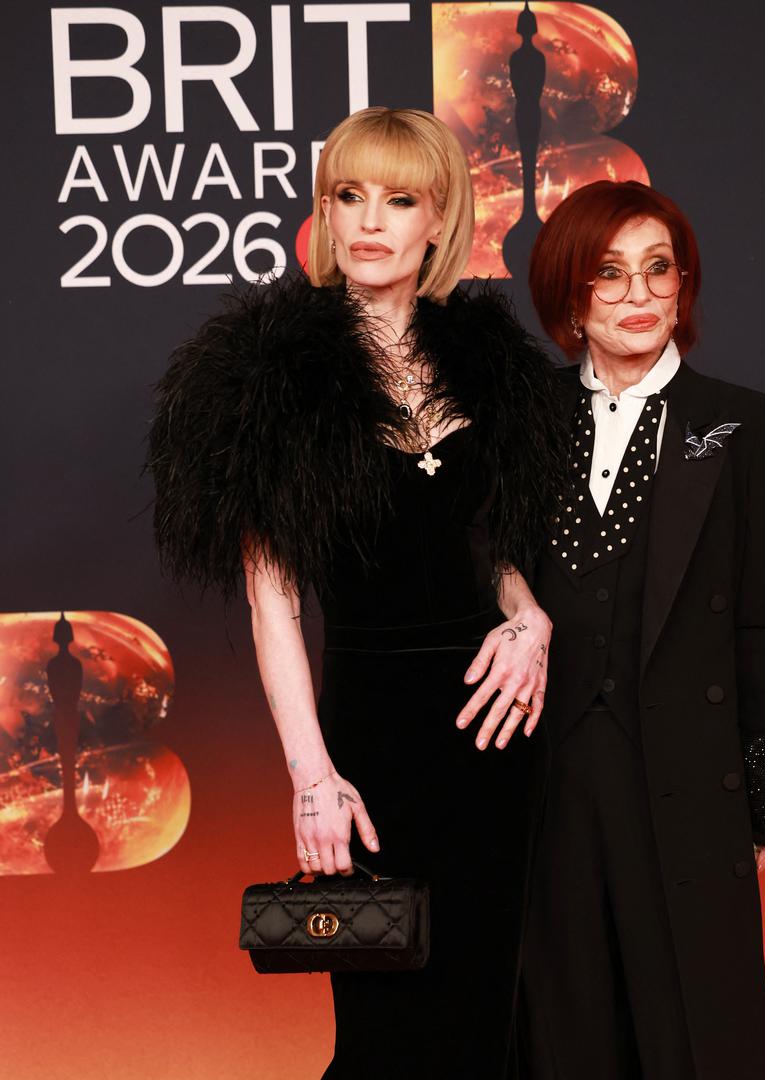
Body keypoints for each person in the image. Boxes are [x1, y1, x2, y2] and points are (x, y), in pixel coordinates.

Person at [147, 107, 567, 1078]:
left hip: (495, 730)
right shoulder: (269, 379)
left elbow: (490, 545)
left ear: (440, 220)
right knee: (389, 1028)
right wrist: (312, 777)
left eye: (399, 199)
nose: (371, 221)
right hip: (370, 737)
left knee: (493, 1014)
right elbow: (273, 604)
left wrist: (528, 615)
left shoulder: (489, 368)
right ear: (326, 213)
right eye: (349, 195)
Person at [521, 179, 765, 1080]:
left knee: (694, 1039)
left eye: (658, 269)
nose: (638, 294)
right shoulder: (522, 422)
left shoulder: (747, 426)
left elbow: (753, 621)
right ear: (570, 296)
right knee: (560, 1035)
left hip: (682, 777)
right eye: (609, 274)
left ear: (683, 286)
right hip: (547, 781)